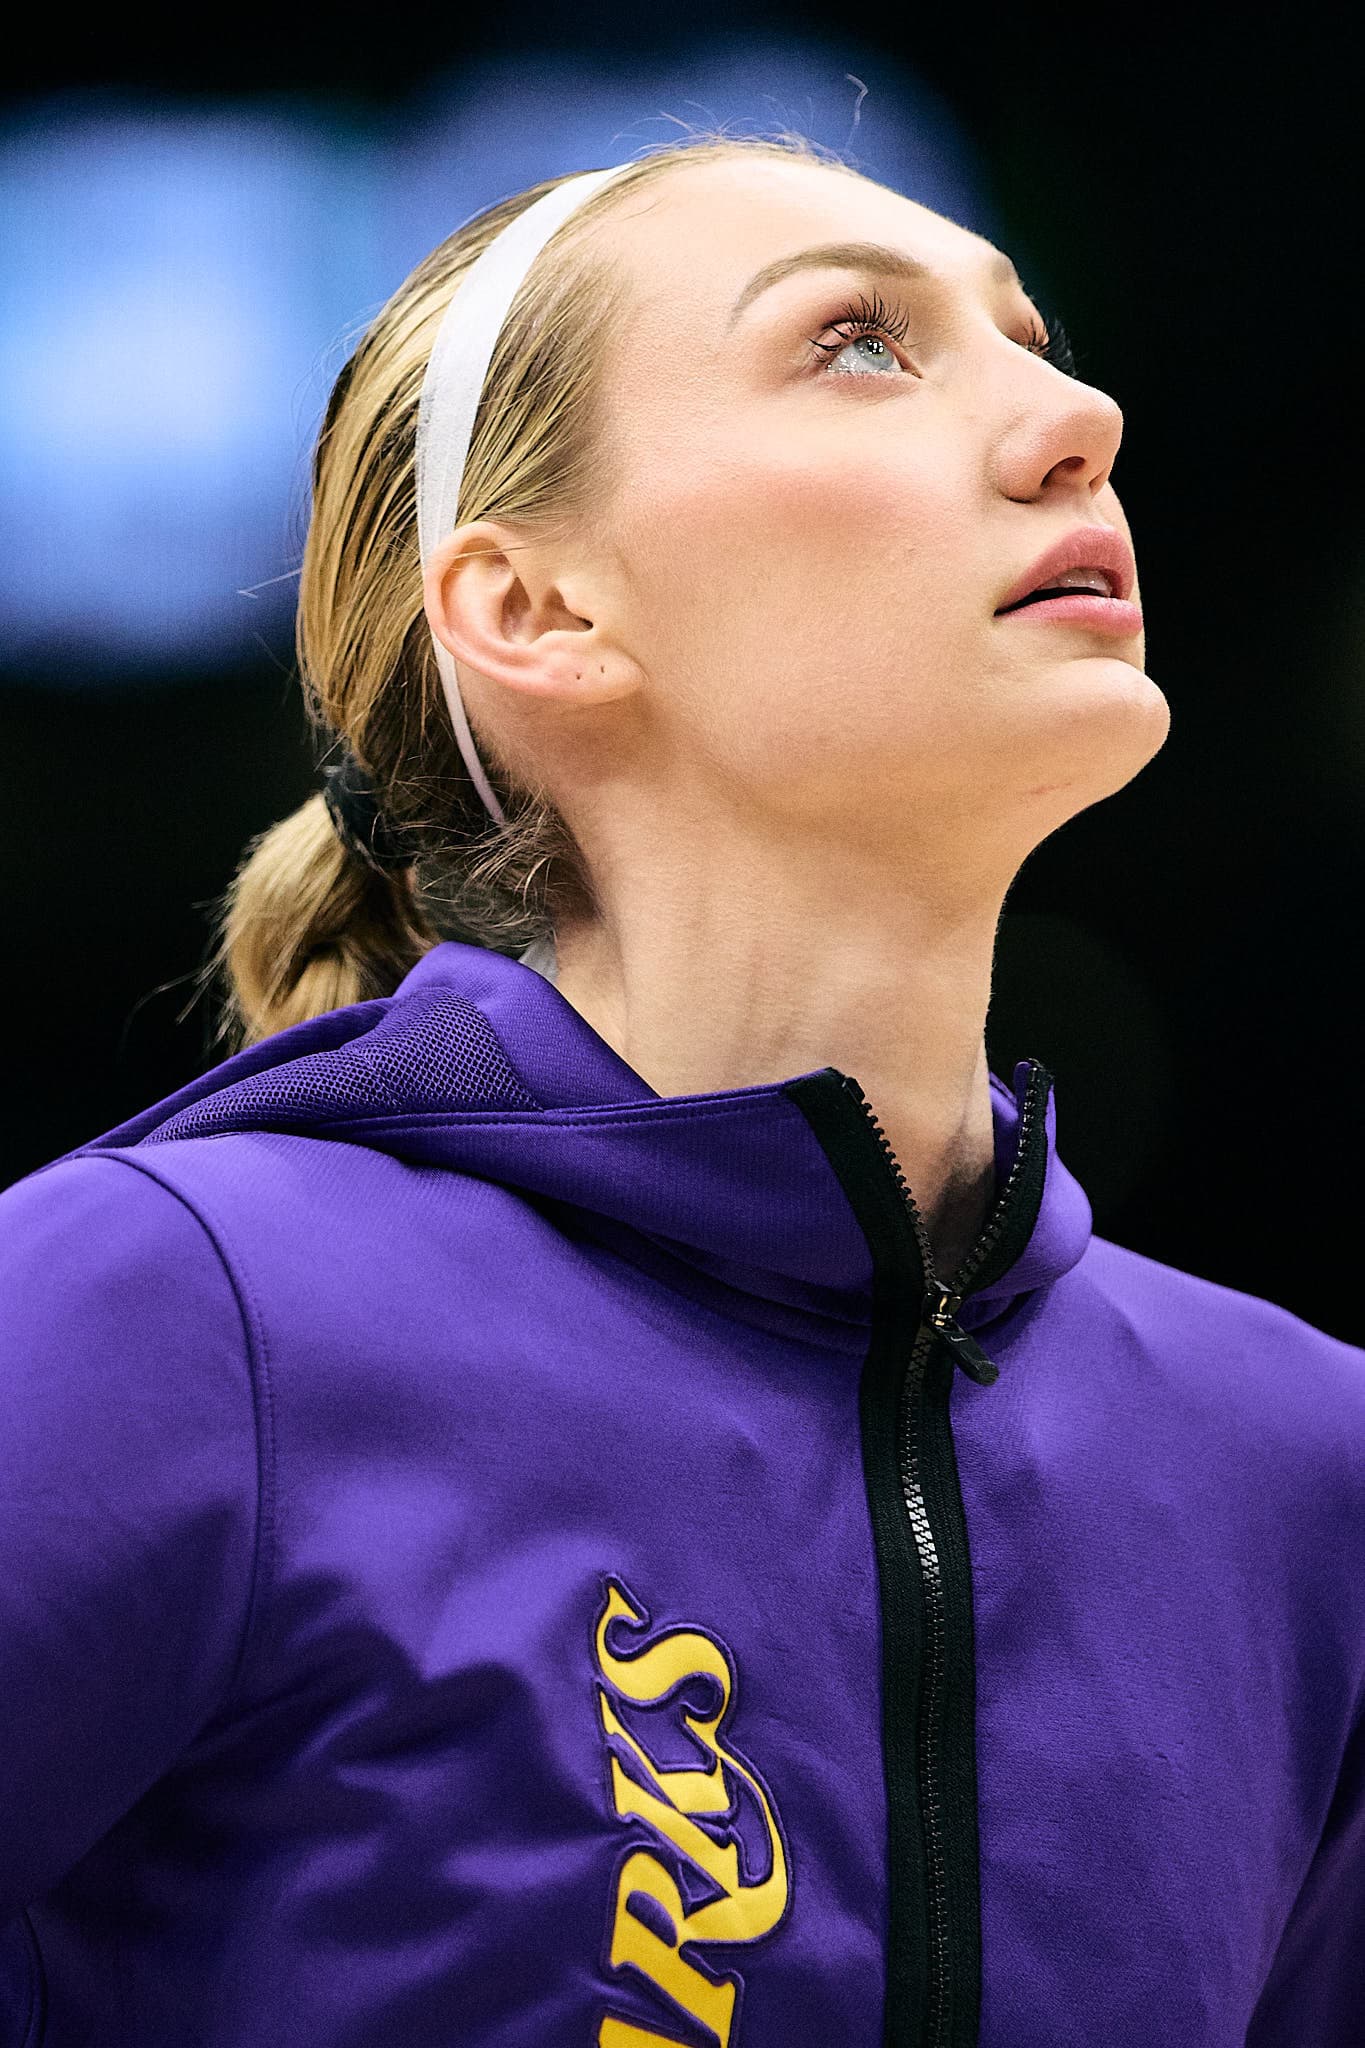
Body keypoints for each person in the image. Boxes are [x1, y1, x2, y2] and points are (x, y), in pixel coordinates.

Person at [0, 128, 1360, 2048]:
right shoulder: (174, 1310)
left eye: (1031, 339)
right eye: (858, 346)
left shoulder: (1307, 1470)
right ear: (538, 611)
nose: (1077, 418)